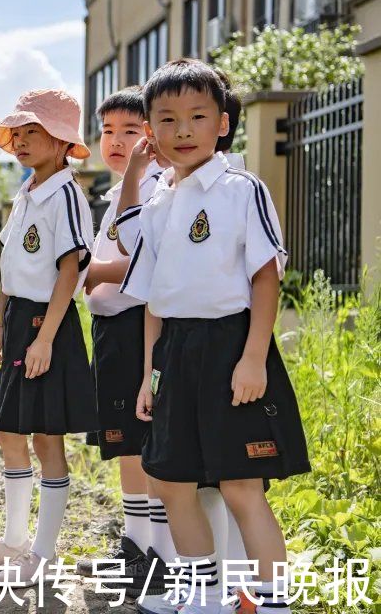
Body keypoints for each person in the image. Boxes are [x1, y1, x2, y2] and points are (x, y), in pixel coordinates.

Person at [119, 59, 310, 614]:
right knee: (172, 484)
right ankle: (204, 597)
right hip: (176, 351)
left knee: (240, 485)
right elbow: (148, 283)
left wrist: (254, 359)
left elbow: (266, 275)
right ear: (151, 130)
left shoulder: (238, 188)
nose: (182, 131)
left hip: (232, 347)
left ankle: (274, 604)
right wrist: (150, 377)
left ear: (222, 124)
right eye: (167, 119)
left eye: (197, 116)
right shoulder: (158, 201)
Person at [0, 89, 98, 587]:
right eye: (16, 132)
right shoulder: (27, 191)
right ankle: (14, 543)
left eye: (32, 131)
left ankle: (43, 553)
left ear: (62, 141)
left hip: (49, 324)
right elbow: (9, 266)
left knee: (46, 437)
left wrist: (45, 340)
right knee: (9, 431)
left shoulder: (65, 194)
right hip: (20, 319)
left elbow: (70, 269)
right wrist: (0, 323)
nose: (19, 140)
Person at [74, 87, 164, 598]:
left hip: (136, 327)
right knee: (123, 443)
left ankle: (155, 552)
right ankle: (133, 543)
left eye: (130, 131)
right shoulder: (113, 195)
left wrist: (95, 269)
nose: (116, 141)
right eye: (108, 131)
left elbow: (151, 260)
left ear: (151, 136)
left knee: (141, 441)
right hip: (110, 327)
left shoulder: (153, 188)